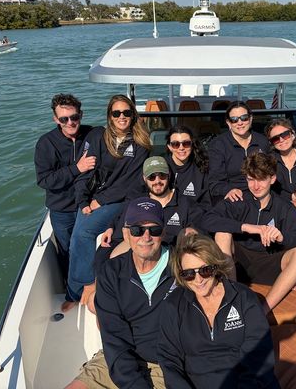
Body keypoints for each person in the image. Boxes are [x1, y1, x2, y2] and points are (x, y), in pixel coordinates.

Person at [157, 234, 279, 388]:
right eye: (188, 274)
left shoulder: (243, 298)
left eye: (205, 270)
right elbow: (169, 360)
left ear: (215, 266)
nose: (198, 280)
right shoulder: (174, 305)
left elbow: (259, 357)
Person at [202, 152, 296, 313]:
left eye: (261, 179)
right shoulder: (238, 200)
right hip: (238, 264)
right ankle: (232, 296)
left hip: (270, 262)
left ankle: (264, 309)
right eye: (251, 179)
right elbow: (207, 220)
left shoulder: (283, 206)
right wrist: (248, 227)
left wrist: (282, 237)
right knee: (222, 233)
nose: (256, 186)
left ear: (272, 179)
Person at [66, 95, 150, 311]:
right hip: (95, 197)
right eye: (116, 113)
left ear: (133, 115)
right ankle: (75, 289)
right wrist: (83, 200)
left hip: (121, 200)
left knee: (82, 233)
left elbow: (130, 185)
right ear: (110, 116)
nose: (121, 117)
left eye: (126, 113)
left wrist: (99, 201)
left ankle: (85, 284)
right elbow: (85, 172)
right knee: (79, 230)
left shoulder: (140, 144)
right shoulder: (97, 137)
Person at [88, 197, 172, 388]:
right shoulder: (111, 272)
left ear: (164, 232)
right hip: (119, 358)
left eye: (155, 229)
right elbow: (114, 339)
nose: (146, 236)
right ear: (126, 234)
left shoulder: (183, 267)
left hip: (165, 366)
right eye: (137, 230)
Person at [34, 93, 95, 303]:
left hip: (90, 205)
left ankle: (96, 288)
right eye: (64, 119)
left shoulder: (92, 134)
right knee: (69, 252)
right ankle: (74, 295)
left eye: (74, 117)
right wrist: (76, 169)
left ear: (81, 115)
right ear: (55, 119)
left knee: (95, 248)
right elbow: (44, 180)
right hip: (63, 210)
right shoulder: (46, 144)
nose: (70, 123)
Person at [99, 156, 204, 256]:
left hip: (173, 260)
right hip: (139, 262)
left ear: (169, 175)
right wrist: (111, 227)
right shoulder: (136, 204)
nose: (157, 181)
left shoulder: (186, 205)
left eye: (162, 175)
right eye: (152, 177)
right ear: (145, 178)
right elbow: (118, 237)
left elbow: (200, 235)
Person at [208, 101, 269, 204]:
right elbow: (215, 182)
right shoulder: (218, 145)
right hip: (234, 197)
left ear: (251, 118)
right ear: (228, 123)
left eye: (244, 118)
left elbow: (271, 172)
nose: (239, 123)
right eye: (234, 120)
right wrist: (228, 190)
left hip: (261, 194)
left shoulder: (262, 141)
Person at [165, 125, 212, 208]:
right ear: (169, 147)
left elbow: (206, 204)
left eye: (186, 143)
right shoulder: (162, 167)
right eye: (176, 144)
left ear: (192, 145)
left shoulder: (201, 167)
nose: (181, 148)